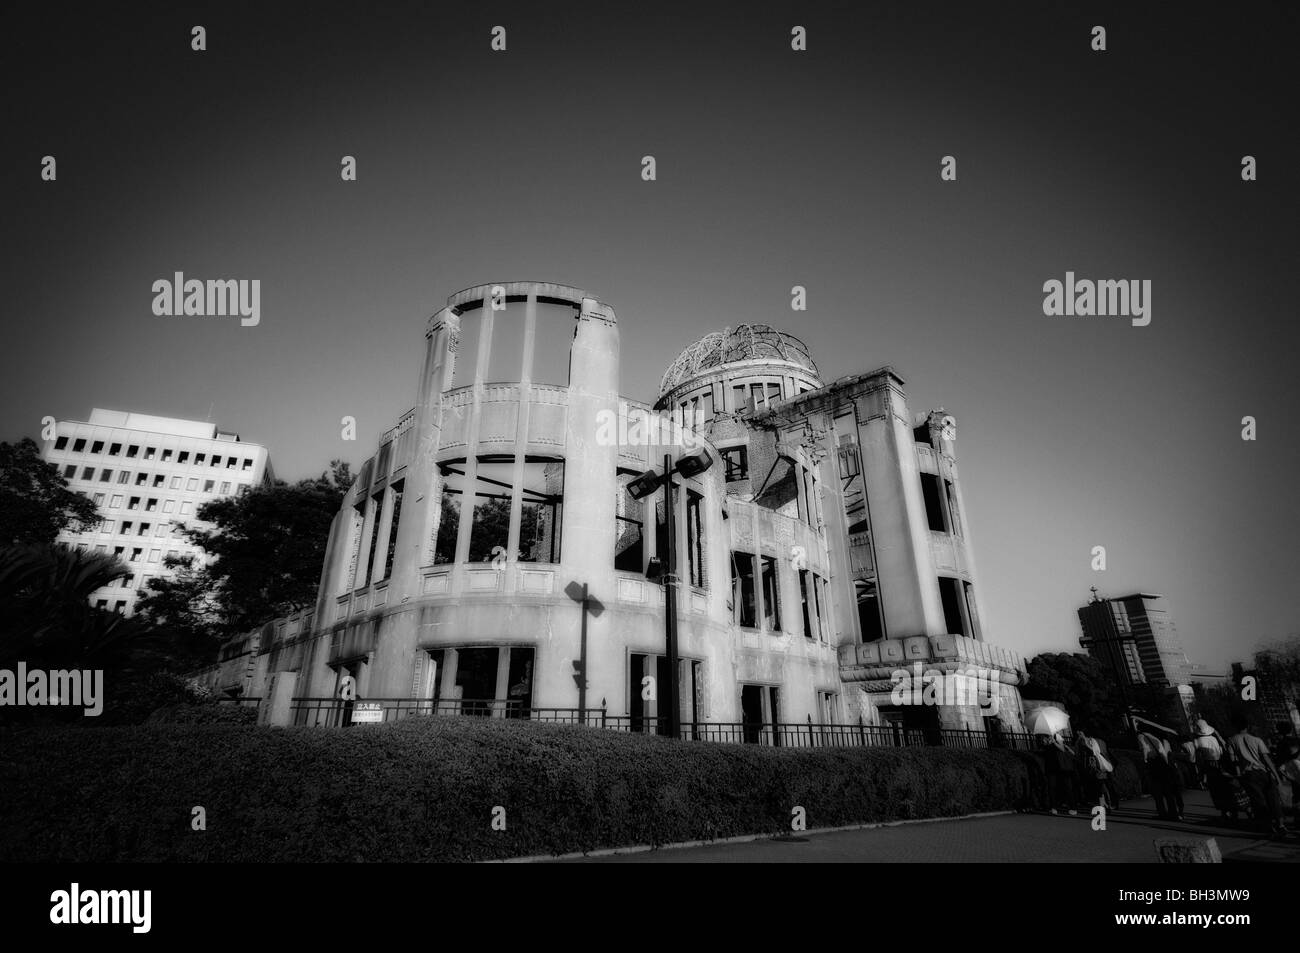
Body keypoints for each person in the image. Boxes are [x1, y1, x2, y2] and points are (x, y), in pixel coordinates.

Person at [1226, 713, 1289, 836]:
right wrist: (1276, 776)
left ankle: (1268, 825)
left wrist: (1238, 775)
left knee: (1258, 801)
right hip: (1264, 772)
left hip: (1248, 775)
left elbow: (1233, 761)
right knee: (1273, 799)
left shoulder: (1231, 740)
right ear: (1247, 726)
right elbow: (1266, 759)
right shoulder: (1257, 740)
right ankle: (1281, 825)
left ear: (1234, 726)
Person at [1138, 727, 1182, 821]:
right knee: (1167, 791)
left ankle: (1162, 813)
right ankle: (1173, 813)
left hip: (1152, 764)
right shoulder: (1155, 738)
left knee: (1157, 791)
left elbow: (1144, 749)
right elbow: (1162, 751)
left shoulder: (1140, 736)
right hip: (1162, 763)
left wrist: (1145, 760)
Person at [1076, 730, 1116, 810]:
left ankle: (1106, 804)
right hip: (1100, 764)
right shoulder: (1095, 741)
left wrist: (1085, 742)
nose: (1079, 734)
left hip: (1097, 765)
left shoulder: (1091, 741)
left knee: (1100, 785)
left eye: (1080, 733)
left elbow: (1094, 751)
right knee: (1101, 785)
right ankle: (1105, 803)